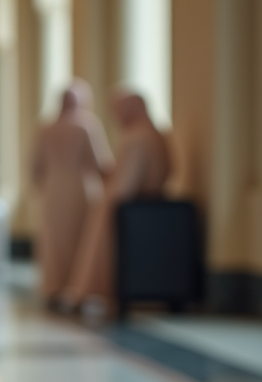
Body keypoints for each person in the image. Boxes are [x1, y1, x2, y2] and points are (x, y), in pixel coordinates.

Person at [62, 89, 171, 316]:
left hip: (131, 204)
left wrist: (106, 201)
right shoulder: (154, 134)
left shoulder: (136, 138)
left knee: (100, 224)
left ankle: (89, 290)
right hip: (145, 203)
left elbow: (124, 185)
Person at [30, 79, 113, 308]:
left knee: (54, 241)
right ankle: (76, 287)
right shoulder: (87, 125)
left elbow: (34, 167)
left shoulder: (45, 127)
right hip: (81, 189)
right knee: (79, 239)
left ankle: (53, 286)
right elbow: (100, 162)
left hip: (52, 189)